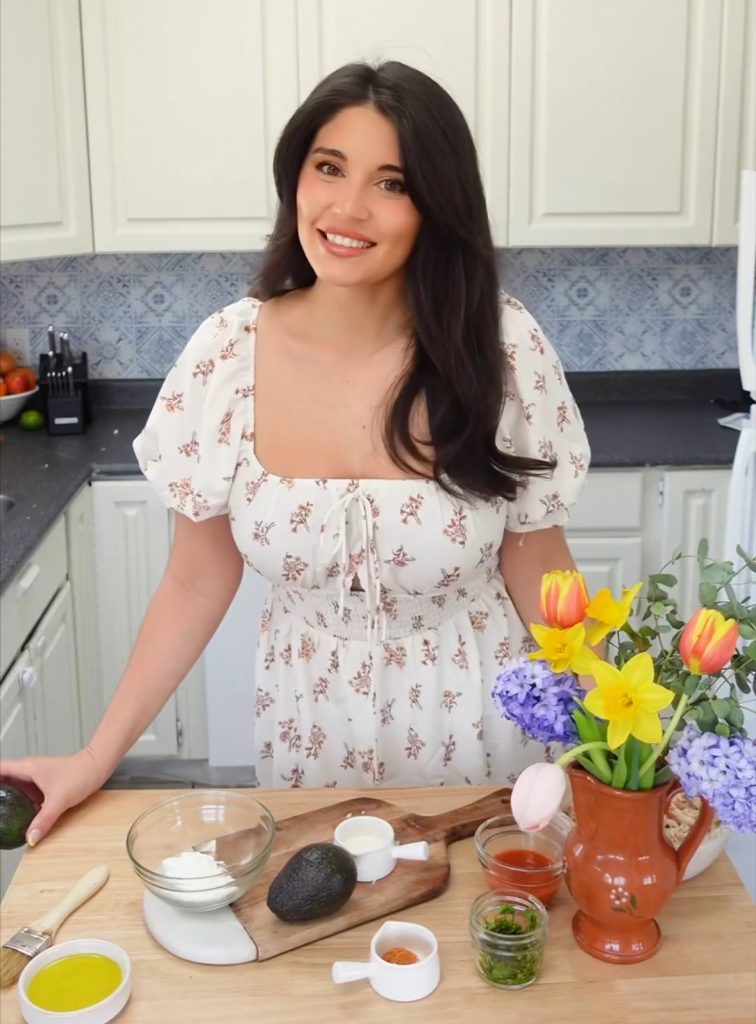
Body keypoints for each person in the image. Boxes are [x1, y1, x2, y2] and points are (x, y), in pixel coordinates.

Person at [0, 61, 590, 844]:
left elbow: (541, 570)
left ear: (436, 208)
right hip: (312, 729)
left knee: (478, 942)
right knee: (318, 930)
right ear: (296, 178)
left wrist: (620, 741)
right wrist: (96, 756)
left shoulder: (501, 348)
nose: (347, 208)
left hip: (480, 726)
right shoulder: (227, 356)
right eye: (328, 167)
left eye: (392, 182)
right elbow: (193, 579)